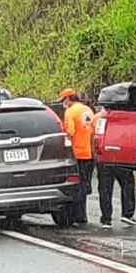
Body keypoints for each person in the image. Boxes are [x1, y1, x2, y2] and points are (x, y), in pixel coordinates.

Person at [91, 109, 136, 229]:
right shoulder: (126, 118)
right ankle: (127, 213)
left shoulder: (98, 118)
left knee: (105, 189)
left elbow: (93, 136)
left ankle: (106, 219)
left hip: (105, 157)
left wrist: (95, 155)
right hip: (122, 157)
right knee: (127, 184)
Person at [59, 88, 94, 225]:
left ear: (68, 99)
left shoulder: (70, 112)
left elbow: (70, 132)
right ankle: (82, 214)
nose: (64, 103)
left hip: (77, 154)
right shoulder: (88, 110)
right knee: (84, 186)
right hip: (89, 153)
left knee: (76, 187)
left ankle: (76, 215)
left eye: (64, 100)